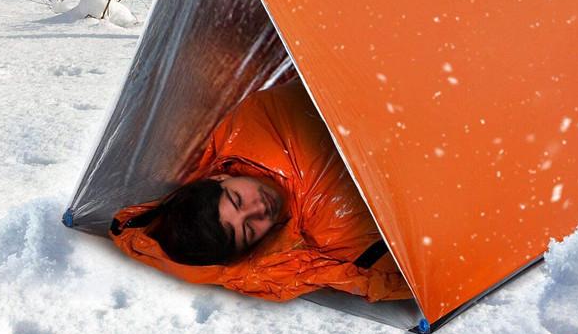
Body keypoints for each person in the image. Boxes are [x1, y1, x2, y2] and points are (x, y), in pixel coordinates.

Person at [110, 78, 411, 303]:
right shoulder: (333, 231)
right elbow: (407, 275)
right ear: (255, 245)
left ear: (218, 178)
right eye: (249, 229)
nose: (258, 209)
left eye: (238, 200)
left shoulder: (253, 121)